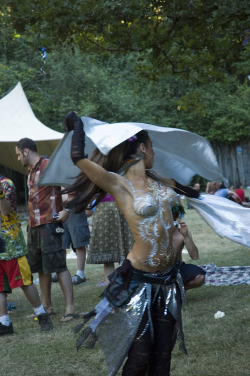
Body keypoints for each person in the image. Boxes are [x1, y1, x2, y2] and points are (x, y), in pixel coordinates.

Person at [63, 111, 200, 376]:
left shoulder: (161, 181)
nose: (155, 154)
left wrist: (218, 202)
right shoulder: (119, 184)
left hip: (169, 281)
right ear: (142, 147)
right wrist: (77, 126)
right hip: (140, 284)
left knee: (162, 353)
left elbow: (191, 192)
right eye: (152, 148)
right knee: (139, 356)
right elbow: (78, 158)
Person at [15, 138, 77, 322]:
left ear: (26, 152)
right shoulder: (30, 171)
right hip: (34, 225)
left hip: (50, 223)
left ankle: (70, 309)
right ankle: (47, 307)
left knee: (59, 265)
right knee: (42, 268)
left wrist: (67, 210)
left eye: (18, 154)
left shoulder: (49, 164)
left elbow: (70, 185)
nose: (18, 159)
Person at [0, 174, 53, 335]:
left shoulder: (6, 184)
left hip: (11, 245)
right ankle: (4, 323)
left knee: (24, 282)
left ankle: (42, 314)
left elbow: (6, 211)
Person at [87, 194, 134, 286]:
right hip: (107, 209)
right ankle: (111, 290)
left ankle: (127, 288)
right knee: (108, 256)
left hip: (122, 206)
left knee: (129, 253)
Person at [172, 203, 205, 290]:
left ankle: (177, 290)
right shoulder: (155, 232)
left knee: (200, 277)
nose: (176, 220)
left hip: (176, 268)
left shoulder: (181, 233)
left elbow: (194, 256)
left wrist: (186, 236)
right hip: (157, 271)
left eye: (176, 217)